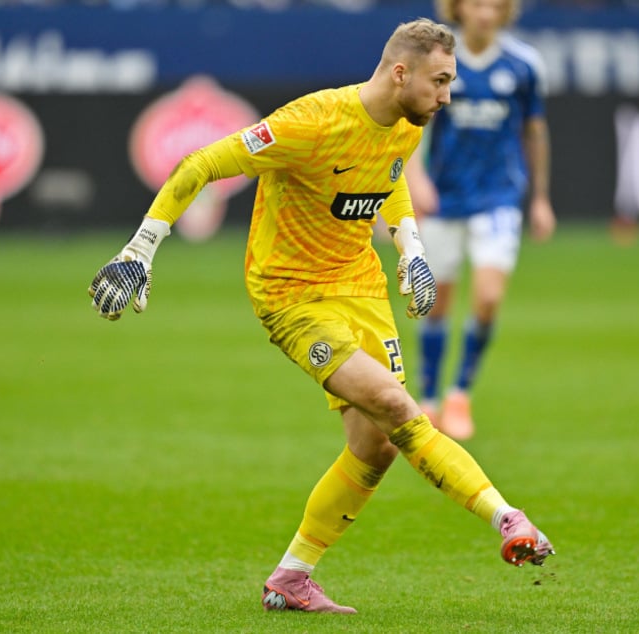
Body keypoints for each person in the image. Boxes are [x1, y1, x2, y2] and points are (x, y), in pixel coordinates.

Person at [88, 18, 553, 615]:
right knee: (396, 408)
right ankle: (508, 519)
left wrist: (410, 249)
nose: (447, 96)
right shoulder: (309, 122)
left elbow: (391, 181)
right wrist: (141, 248)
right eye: (440, 81)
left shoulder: (409, 123)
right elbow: (201, 162)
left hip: (360, 287)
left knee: (377, 446)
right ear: (400, 73)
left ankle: (291, 577)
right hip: (293, 296)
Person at [405, 0, 557, 441]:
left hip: (498, 198)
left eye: (494, 4)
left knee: (488, 297)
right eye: (476, 3)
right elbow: (414, 124)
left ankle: (460, 394)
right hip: (446, 197)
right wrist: (416, 179)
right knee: (436, 302)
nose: (485, 13)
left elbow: (535, 130)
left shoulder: (524, 64)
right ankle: (429, 401)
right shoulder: (439, 60)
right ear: (458, 8)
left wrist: (541, 199)